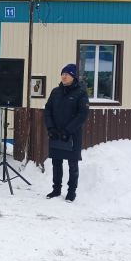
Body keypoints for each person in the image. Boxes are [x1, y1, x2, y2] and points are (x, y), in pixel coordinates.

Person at [44, 64, 90, 203]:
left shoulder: (81, 93)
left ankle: (71, 192)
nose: (64, 76)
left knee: (72, 165)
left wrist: (68, 130)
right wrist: (51, 128)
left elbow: (82, 115)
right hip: (56, 134)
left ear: (73, 76)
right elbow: (47, 110)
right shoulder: (55, 92)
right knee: (56, 163)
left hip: (72, 135)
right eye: (62, 73)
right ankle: (56, 189)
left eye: (67, 74)